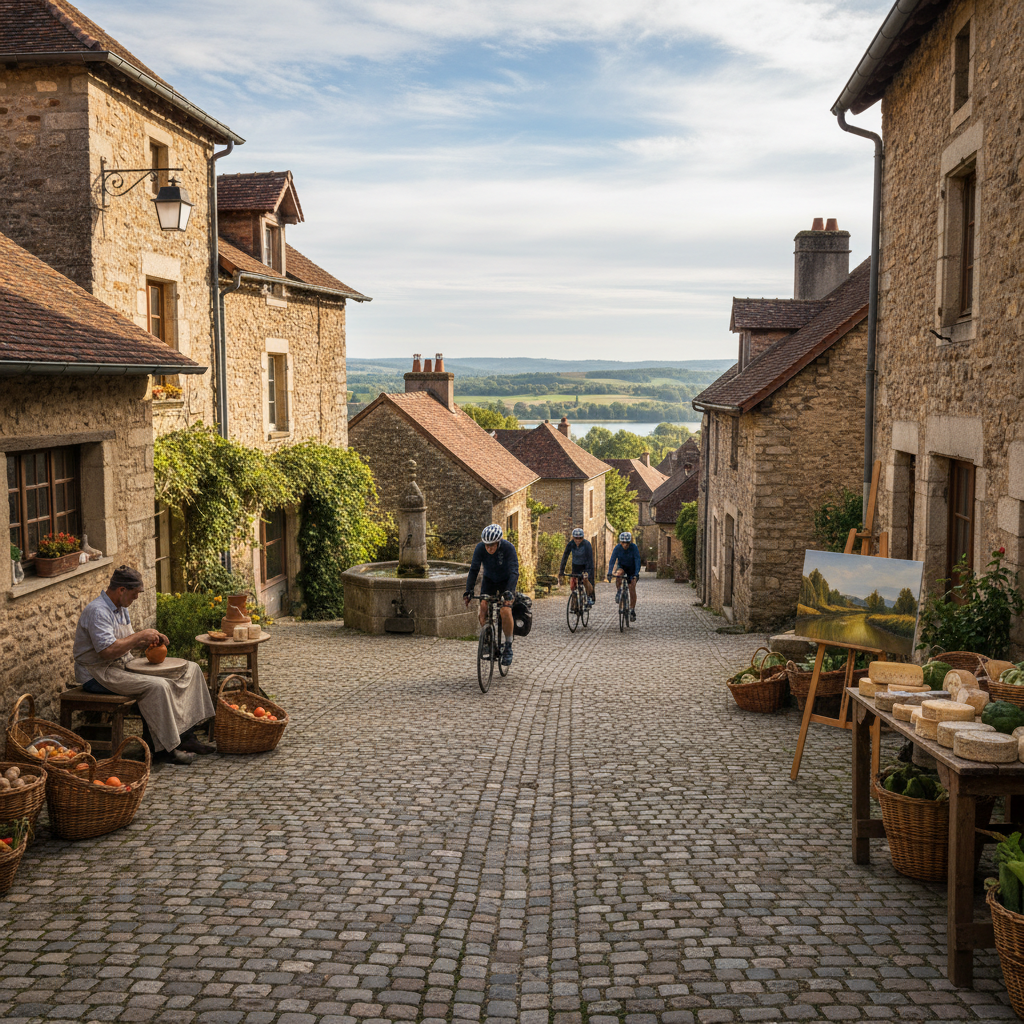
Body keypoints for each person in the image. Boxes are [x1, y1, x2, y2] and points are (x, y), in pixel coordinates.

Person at [73, 565, 216, 765]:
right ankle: (165, 749)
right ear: (122, 590)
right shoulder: (98, 611)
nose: (136, 598)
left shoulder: (121, 609)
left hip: (122, 665)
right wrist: (140, 635)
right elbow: (107, 651)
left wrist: (150, 640)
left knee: (189, 670)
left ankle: (186, 737)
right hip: (97, 674)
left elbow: (128, 642)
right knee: (158, 686)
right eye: (134, 594)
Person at [463, 524, 519, 666]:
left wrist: (510, 592)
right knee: (483, 607)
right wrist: (468, 590)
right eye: (487, 545)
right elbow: (474, 569)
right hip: (489, 581)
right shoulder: (480, 548)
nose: (489, 548)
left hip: (506, 581)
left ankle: (508, 646)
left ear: (498, 542)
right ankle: (490, 641)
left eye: (492, 545)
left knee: (505, 610)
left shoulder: (508, 548)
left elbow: (514, 571)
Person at [607, 531, 642, 621]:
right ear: (620, 542)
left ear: (630, 542)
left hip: (632, 569)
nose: (625, 544)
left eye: (627, 542)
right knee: (618, 574)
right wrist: (610, 572)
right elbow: (612, 560)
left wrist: (636, 574)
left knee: (632, 588)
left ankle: (632, 609)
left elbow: (637, 560)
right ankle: (619, 591)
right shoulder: (617, 548)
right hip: (622, 567)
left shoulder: (634, 548)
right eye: (623, 542)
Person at [557, 528, 594, 606]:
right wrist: (561, 571)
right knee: (573, 584)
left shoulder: (587, 545)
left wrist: (587, 572)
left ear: (583, 538)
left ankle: (588, 597)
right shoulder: (571, 544)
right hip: (576, 566)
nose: (578, 540)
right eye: (576, 538)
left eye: (580, 538)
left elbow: (590, 559)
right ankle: (574, 601)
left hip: (585, 566)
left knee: (585, 580)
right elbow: (565, 557)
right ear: (573, 538)